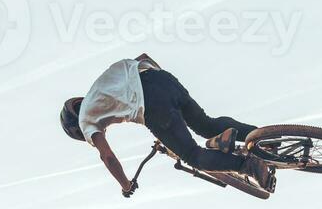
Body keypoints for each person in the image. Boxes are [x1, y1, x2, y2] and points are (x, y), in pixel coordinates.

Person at [59, 55, 270, 196]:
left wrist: (125, 185)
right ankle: (265, 138)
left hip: (152, 105)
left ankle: (249, 166)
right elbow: (143, 58)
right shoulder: (105, 83)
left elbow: (108, 157)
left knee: (193, 155)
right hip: (164, 79)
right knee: (206, 124)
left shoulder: (85, 119)